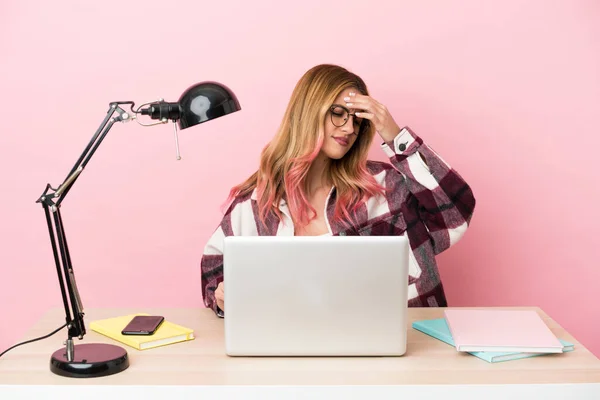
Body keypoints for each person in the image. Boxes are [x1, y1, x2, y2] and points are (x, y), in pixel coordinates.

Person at [200, 64, 476, 317]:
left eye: (357, 119)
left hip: (404, 348)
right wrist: (222, 295)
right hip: (295, 349)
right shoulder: (256, 202)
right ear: (309, 112)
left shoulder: (385, 185)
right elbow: (213, 272)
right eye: (338, 113)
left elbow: (454, 216)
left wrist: (394, 136)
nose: (349, 128)